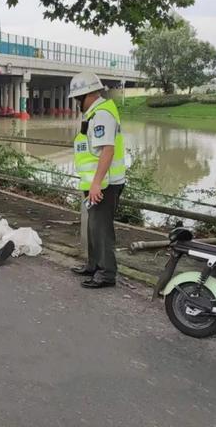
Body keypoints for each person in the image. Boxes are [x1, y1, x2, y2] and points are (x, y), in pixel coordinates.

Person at [68, 72, 126, 289]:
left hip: (105, 184)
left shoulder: (101, 115)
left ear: (88, 94)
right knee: (94, 226)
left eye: (77, 98)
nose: (76, 103)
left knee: (101, 229)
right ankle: (93, 265)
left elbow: (107, 151)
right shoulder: (94, 114)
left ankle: (106, 274)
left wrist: (95, 184)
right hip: (98, 182)